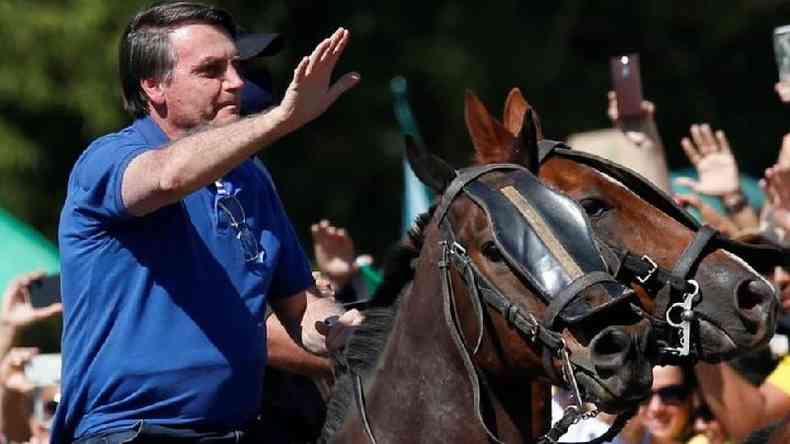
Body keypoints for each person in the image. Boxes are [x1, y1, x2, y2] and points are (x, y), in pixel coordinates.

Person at [55, 2, 361, 442]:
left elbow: (301, 307)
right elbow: (168, 176)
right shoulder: (107, 160)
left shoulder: (252, 178)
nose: (236, 82)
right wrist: (279, 120)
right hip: (130, 433)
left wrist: (338, 329)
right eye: (211, 70)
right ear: (153, 86)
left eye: (235, 66)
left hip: (236, 433)